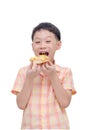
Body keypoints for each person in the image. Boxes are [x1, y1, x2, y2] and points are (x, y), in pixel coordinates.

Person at [11, 22, 76, 129]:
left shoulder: (65, 72)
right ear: (32, 46)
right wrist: (30, 79)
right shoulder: (23, 72)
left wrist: (53, 76)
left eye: (48, 41)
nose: (42, 46)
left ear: (58, 45)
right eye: (37, 42)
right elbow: (21, 105)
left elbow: (65, 102)